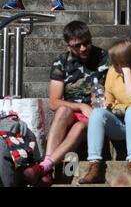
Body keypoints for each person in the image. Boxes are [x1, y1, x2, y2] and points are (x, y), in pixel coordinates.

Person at [22, 21, 109, 186]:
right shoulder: (61, 62)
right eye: (77, 45)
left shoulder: (104, 58)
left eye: (86, 43)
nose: (83, 48)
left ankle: (44, 167)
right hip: (72, 113)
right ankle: (47, 167)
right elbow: (54, 103)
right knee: (62, 110)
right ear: (67, 46)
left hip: (95, 115)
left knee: (80, 127)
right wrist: (82, 106)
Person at [79, 39, 131, 184]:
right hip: (123, 125)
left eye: (117, 63)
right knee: (97, 114)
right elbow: (109, 102)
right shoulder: (113, 73)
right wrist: (112, 106)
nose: (113, 66)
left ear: (129, 62)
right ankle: (94, 166)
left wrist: (127, 73)